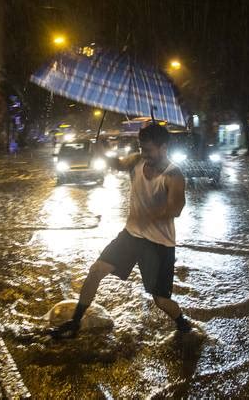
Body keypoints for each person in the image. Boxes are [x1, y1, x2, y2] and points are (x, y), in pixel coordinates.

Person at [50, 123, 192, 339]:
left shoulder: (174, 175)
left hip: (159, 244)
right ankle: (75, 322)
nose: (144, 154)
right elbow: (115, 164)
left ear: (163, 148)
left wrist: (152, 212)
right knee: (95, 271)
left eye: (149, 150)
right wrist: (100, 150)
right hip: (131, 235)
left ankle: (183, 326)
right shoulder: (136, 161)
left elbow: (176, 208)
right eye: (142, 148)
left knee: (160, 300)